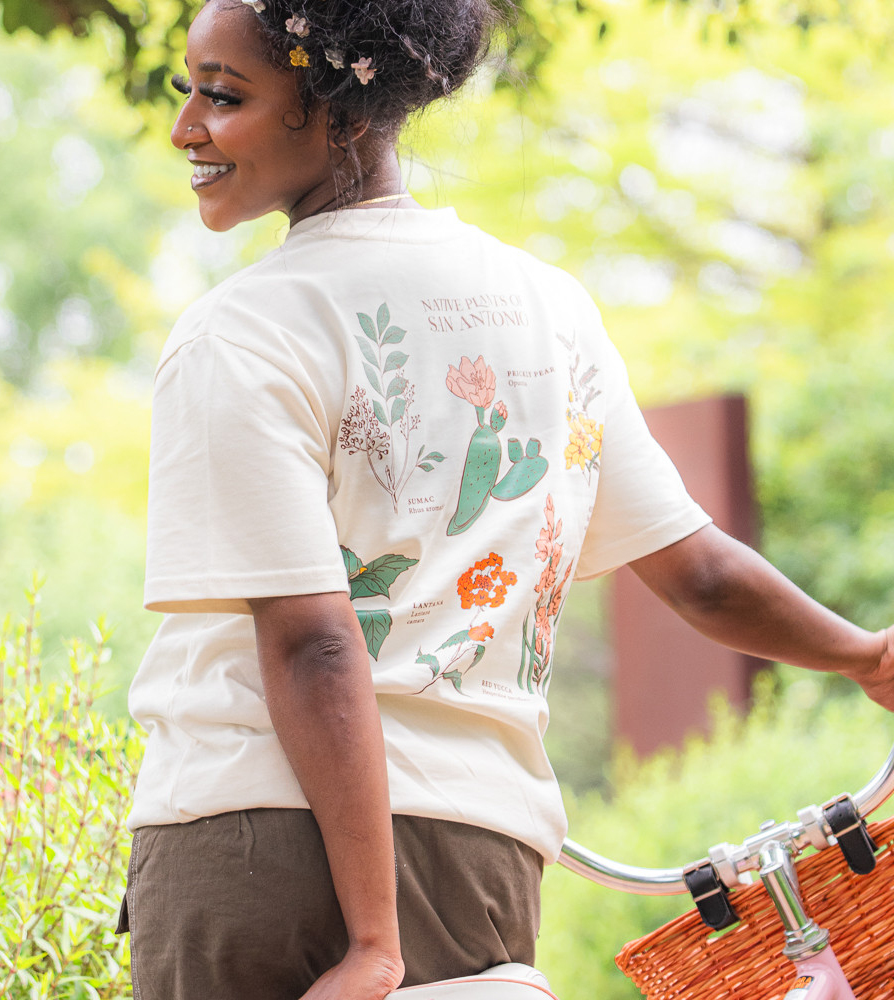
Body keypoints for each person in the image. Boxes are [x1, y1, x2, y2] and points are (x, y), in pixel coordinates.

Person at [117, 1, 894, 998]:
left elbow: (313, 641)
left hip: (261, 843)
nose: (185, 126)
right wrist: (862, 654)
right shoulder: (549, 312)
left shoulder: (245, 330)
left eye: (221, 96)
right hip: (482, 859)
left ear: (339, 110)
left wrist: (372, 942)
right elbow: (696, 572)